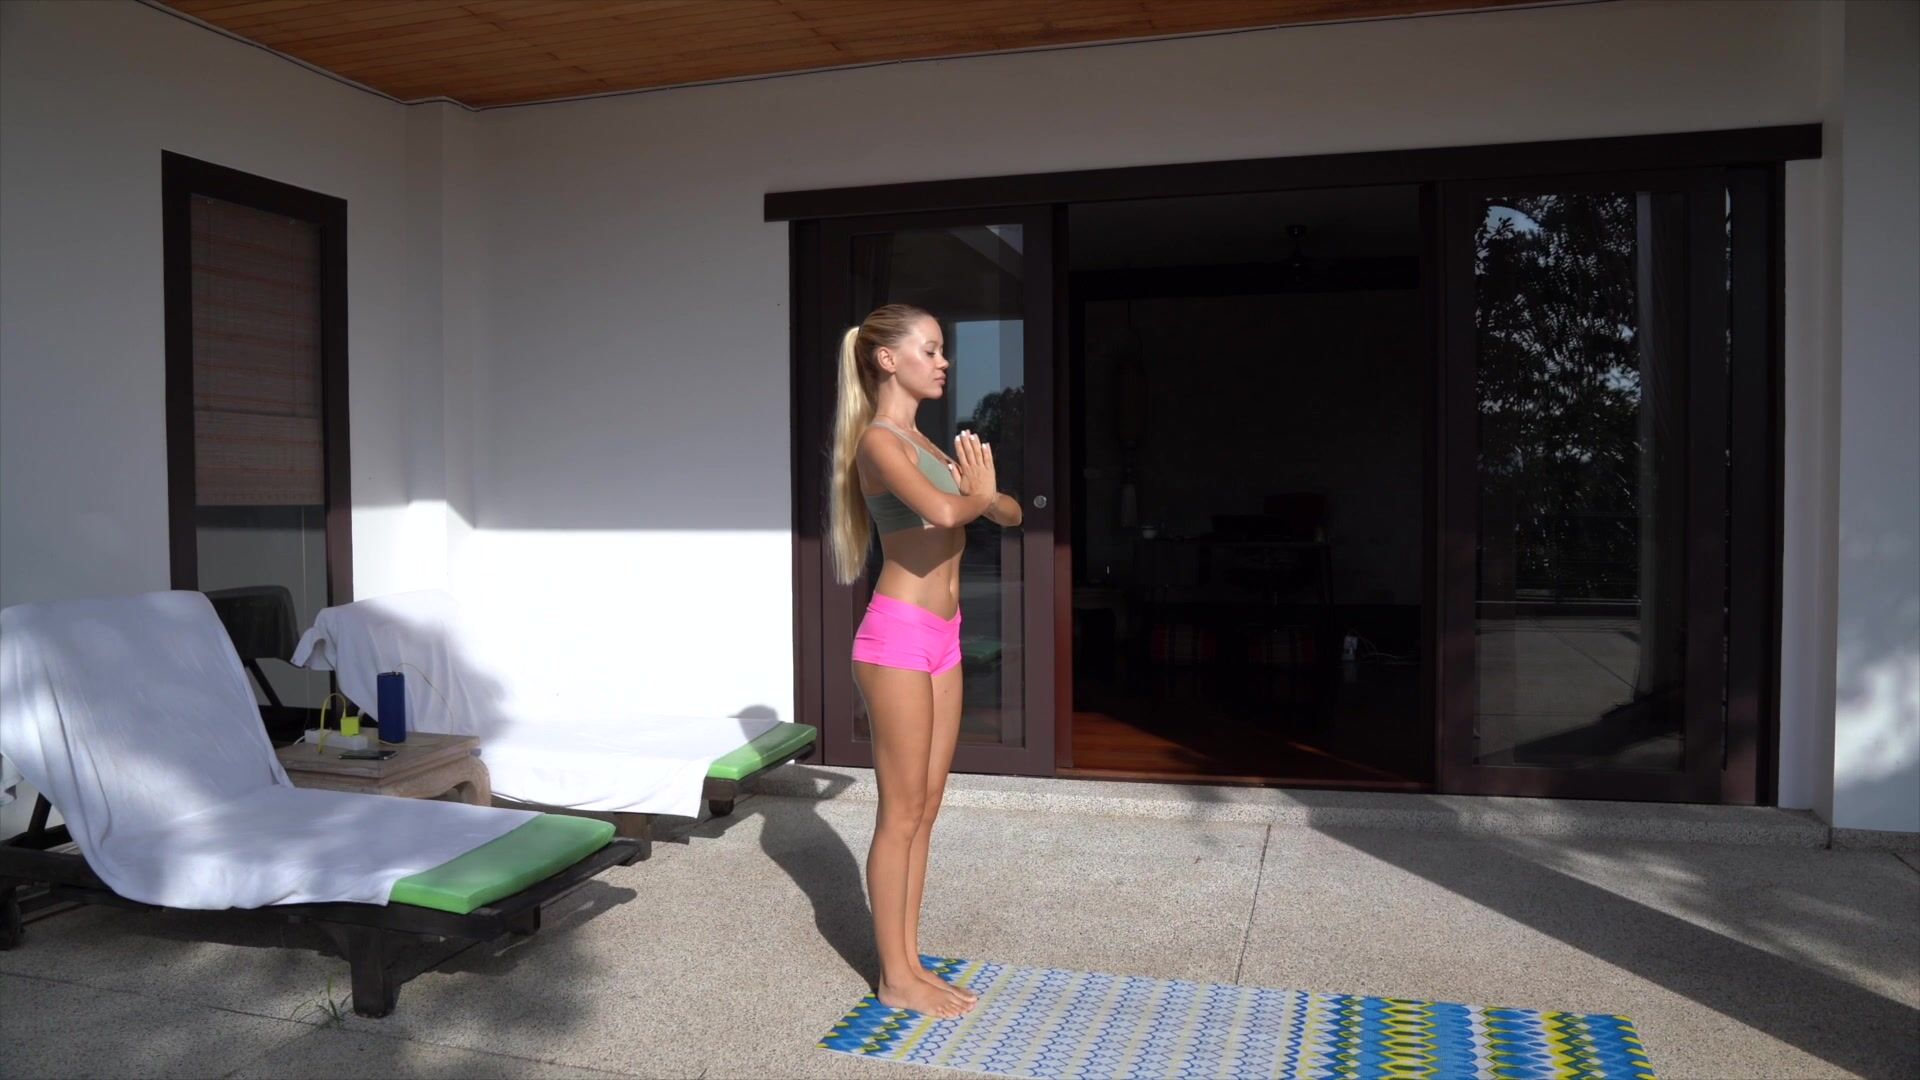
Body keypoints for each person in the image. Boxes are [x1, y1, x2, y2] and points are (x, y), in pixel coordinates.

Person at [828, 303, 1022, 1018]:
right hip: (898, 639)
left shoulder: (928, 443)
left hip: (944, 635)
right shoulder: (880, 442)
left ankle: (909, 961)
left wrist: (985, 495)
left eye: (943, 350)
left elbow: (1009, 512)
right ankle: (895, 977)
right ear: (888, 359)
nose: (944, 361)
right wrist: (976, 498)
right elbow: (945, 514)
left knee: (928, 806)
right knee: (901, 810)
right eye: (931, 349)